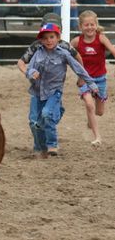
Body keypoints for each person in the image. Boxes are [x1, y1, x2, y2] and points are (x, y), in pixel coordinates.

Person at [25, 23, 98, 158]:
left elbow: (78, 68)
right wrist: (31, 73)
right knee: (33, 121)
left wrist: (91, 84)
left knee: (46, 114)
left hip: (54, 91)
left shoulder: (63, 54)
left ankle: (52, 144)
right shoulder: (37, 53)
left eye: (52, 37)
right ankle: (40, 147)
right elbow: (29, 68)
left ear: (58, 38)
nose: (49, 40)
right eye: (45, 38)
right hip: (36, 91)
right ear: (41, 40)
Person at [70, 10, 115, 147]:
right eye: (86, 25)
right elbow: (65, 53)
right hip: (85, 79)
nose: (89, 27)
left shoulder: (101, 38)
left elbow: (112, 50)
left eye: (92, 24)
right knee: (89, 105)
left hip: (100, 79)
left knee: (99, 112)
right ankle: (97, 137)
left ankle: (91, 120)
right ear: (80, 27)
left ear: (96, 25)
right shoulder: (77, 41)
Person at [17, 12, 82, 76]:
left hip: (56, 83)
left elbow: (78, 57)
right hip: (38, 82)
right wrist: (27, 73)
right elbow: (21, 62)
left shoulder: (65, 46)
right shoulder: (36, 45)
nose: (49, 40)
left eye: (56, 29)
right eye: (48, 29)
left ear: (60, 32)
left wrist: (81, 77)